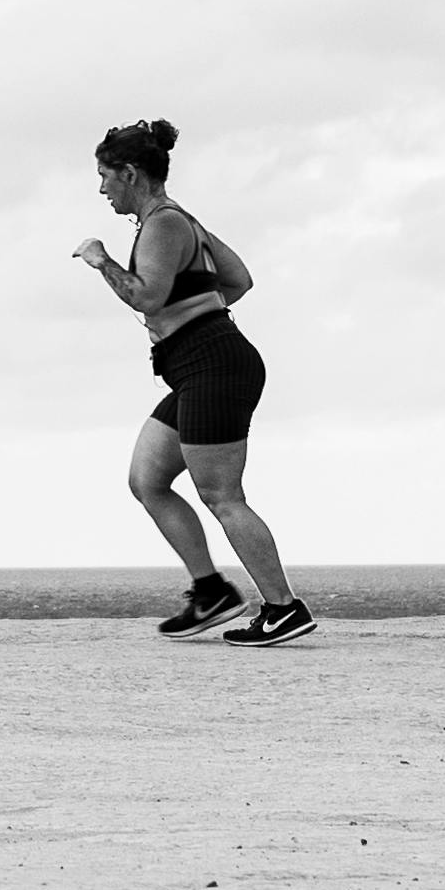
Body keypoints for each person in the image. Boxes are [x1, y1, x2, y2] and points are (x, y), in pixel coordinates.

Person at [71, 118, 309, 642]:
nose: (102, 188)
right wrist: (195, 311)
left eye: (105, 175)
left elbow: (146, 297)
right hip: (198, 367)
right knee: (147, 481)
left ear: (130, 173)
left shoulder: (165, 225)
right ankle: (212, 592)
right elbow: (238, 280)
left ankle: (285, 608)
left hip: (214, 365)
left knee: (222, 493)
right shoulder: (179, 222)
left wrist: (100, 259)